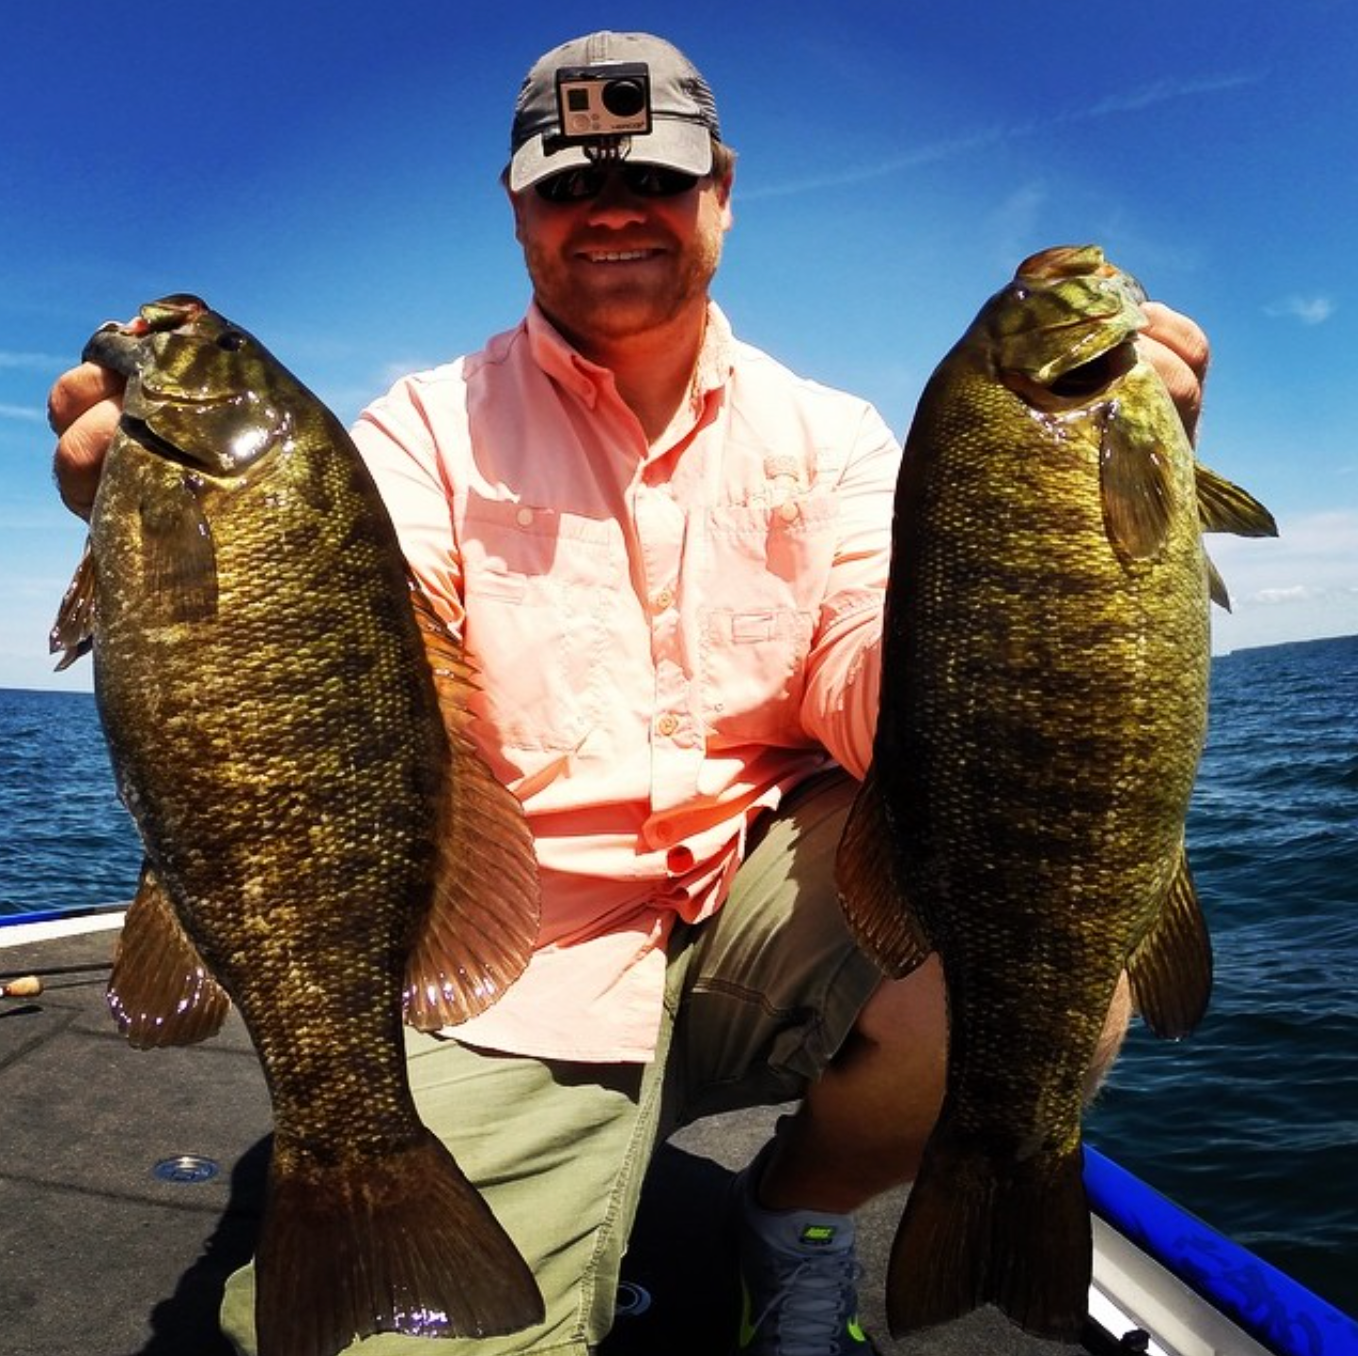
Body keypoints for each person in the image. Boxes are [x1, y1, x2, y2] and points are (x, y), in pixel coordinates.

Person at [49, 31, 1211, 1356]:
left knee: (1048, 948)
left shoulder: (829, 436)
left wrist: (1043, 573)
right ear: (517, 210)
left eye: (652, 181)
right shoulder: (414, 435)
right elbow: (340, 687)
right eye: (565, 187)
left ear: (718, 189)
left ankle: (800, 1216)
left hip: (774, 901)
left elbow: (862, 686)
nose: (609, 212)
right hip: (518, 951)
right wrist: (179, 564)